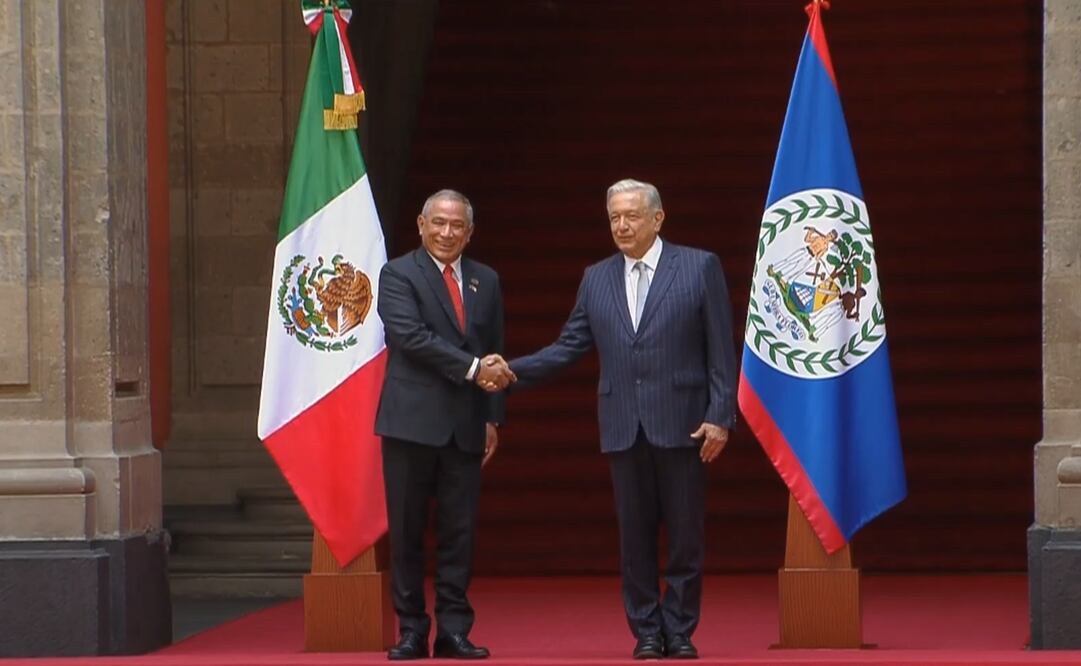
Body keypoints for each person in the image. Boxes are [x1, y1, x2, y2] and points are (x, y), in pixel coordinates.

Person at [508, 179, 737, 660]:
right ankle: (646, 631)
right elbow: (569, 345)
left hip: (684, 422)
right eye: (614, 217)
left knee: (685, 537)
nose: (622, 225)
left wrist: (721, 416)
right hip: (622, 424)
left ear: (658, 218)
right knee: (634, 540)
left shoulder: (698, 267)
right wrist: (511, 372)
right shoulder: (596, 277)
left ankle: (679, 629)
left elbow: (721, 348)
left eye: (631, 215)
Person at [375, 189, 515, 660]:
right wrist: (475, 370)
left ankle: (454, 630)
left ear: (470, 232)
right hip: (410, 425)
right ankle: (411, 629)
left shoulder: (486, 280)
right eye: (438, 223)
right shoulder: (397, 274)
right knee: (408, 532)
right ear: (420, 224)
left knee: (460, 533)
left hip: (466, 424)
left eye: (457, 226)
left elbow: (495, 345)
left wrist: (493, 417)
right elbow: (410, 337)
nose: (447, 233)